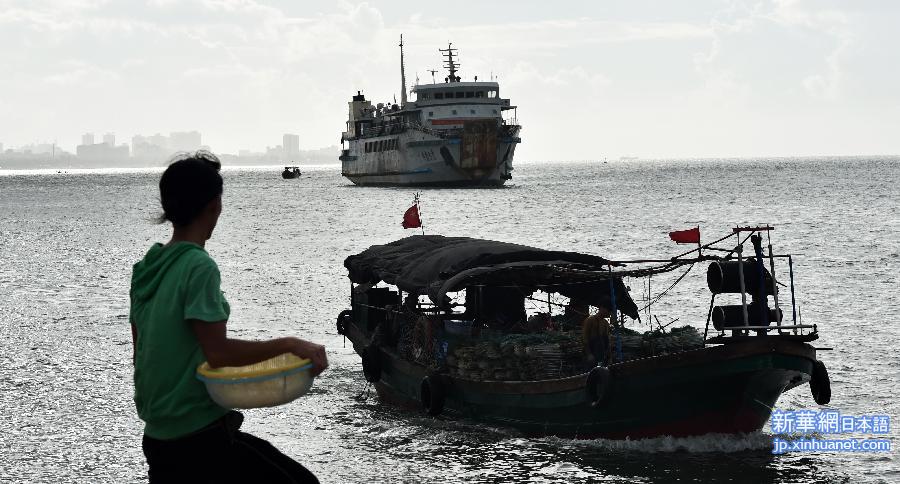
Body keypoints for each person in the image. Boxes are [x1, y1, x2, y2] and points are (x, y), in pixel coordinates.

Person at [129, 151, 327, 483]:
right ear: (214, 206)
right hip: (197, 438)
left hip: (158, 437)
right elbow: (218, 354)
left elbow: (142, 354)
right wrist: (291, 345)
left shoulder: (146, 268)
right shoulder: (198, 266)